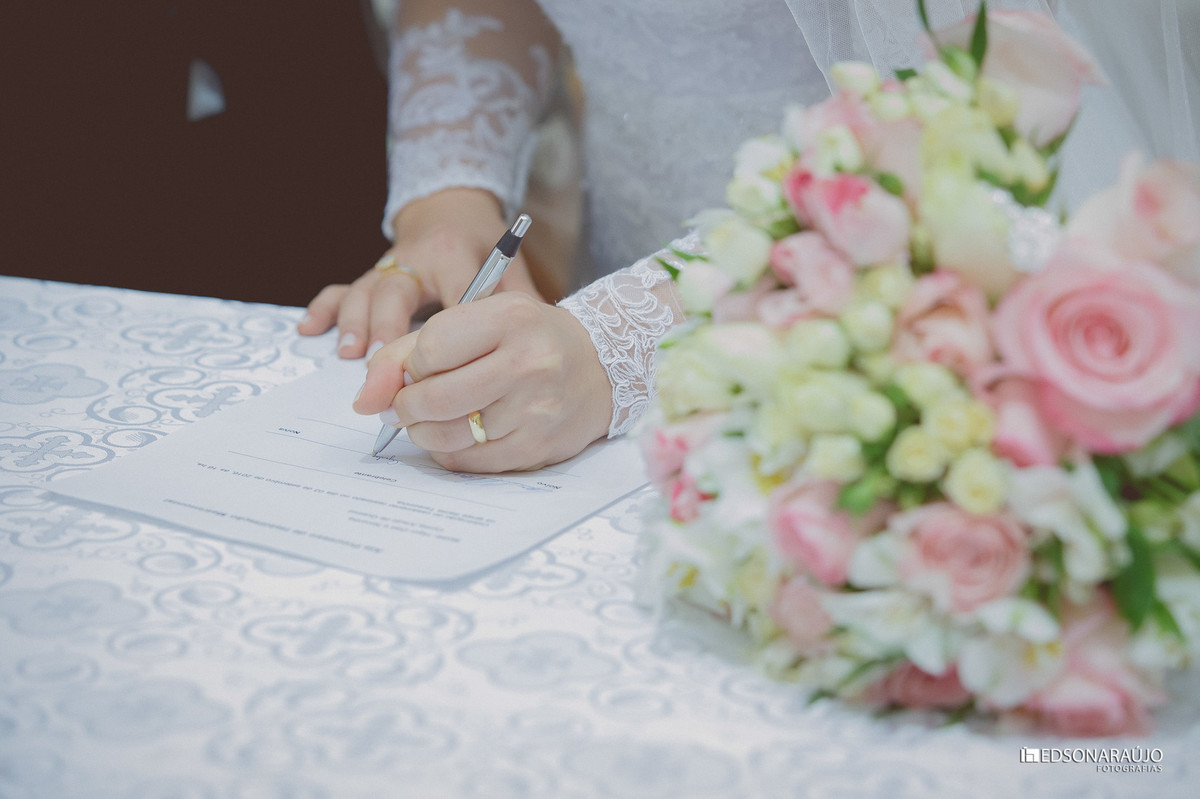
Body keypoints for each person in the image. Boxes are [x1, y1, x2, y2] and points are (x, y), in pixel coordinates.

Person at [298, 0, 1199, 473]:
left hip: (899, 335)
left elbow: (992, 114)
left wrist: (617, 347)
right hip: (607, 294)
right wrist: (449, 200)